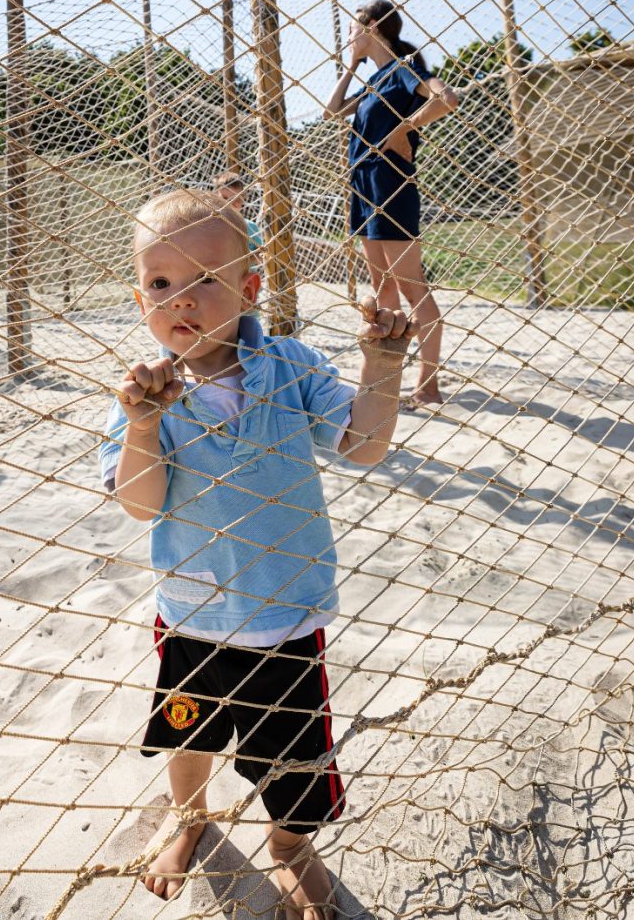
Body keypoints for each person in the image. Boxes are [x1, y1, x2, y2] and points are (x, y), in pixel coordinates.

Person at [99, 189, 415, 918]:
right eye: (159, 283)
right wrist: (143, 426)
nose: (182, 299)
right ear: (139, 296)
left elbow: (363, 446)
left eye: (206, 280)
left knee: (298, 759)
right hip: (194, 613)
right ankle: (191, 817)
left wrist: (383, 362)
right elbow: (139, 503)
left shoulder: (288, 366)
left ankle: (289, 845)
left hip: (288, 613)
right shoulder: (145, 392)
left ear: (249, 289)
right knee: (189, 734)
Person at [324, 0, 458, 408]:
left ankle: (429, 384)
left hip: (392, 186)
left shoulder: (403, 69)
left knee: (412, 287)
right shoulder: (373, 81)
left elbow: (447, 98)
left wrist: (406, 127)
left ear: (371, 27)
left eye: (352, 29)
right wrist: (351, 66)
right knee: (382, 289)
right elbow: (332, 113)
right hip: (362, 187)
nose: (348, 37)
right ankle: (389, 378)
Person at [212, 171, 262, 254]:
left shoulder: (250, 228)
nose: (230, 203)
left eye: (237, 199)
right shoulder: (209, 225)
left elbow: (263, 256)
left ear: (243, 199)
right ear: (215, 197)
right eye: (225, 198)